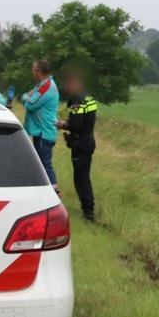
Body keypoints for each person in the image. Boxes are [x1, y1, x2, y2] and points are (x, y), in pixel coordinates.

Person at [58, 69, 98, 221]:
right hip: (89, 140)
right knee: (85, 176)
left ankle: (88, 211)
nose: (67, 88)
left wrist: (63, 124)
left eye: (67, 85)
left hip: (80, 142)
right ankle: (89, 208)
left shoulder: (77, 100)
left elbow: (76, 124)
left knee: (80, 178)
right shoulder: (89, 97)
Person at [20, 59, 59, 186]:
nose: (32, 72)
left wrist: (27, 98)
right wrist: (27, 97)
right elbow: (26, 96)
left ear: (38, 72)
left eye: (33, 69)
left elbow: (30, 105)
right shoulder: (41, 85)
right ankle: (43, 189)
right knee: (39, 164)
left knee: (45, 164)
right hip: (39, 132)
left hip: (45, 133)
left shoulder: (47, 87)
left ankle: (54, 190)